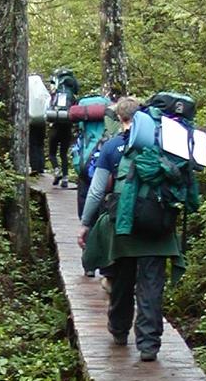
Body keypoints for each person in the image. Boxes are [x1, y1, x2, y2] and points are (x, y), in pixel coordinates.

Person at [76, 97, 182, 363]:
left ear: (119, 118)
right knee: (151, 286)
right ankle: (149, 345)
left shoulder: (112, 147)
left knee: (122, 281)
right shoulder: (164, 147)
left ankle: (120, 330)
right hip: (159, 229)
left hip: (124, 229)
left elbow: (98, 190)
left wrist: (86, 224)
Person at [47, 70, 78, 188]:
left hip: (55, 125)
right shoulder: (73, 97)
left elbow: (48, 109)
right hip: (67, 127)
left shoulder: (56, 94)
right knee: (63, 154)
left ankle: (56, 170)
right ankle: (65, 178)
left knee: (52, 153)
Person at [28, 73, 50, 174]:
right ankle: (41, 167)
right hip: (42, 120)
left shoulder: (28, 91)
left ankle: (34, 167)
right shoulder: (42, 91)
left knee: (33, 143)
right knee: (40, 143)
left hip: (32, 120)